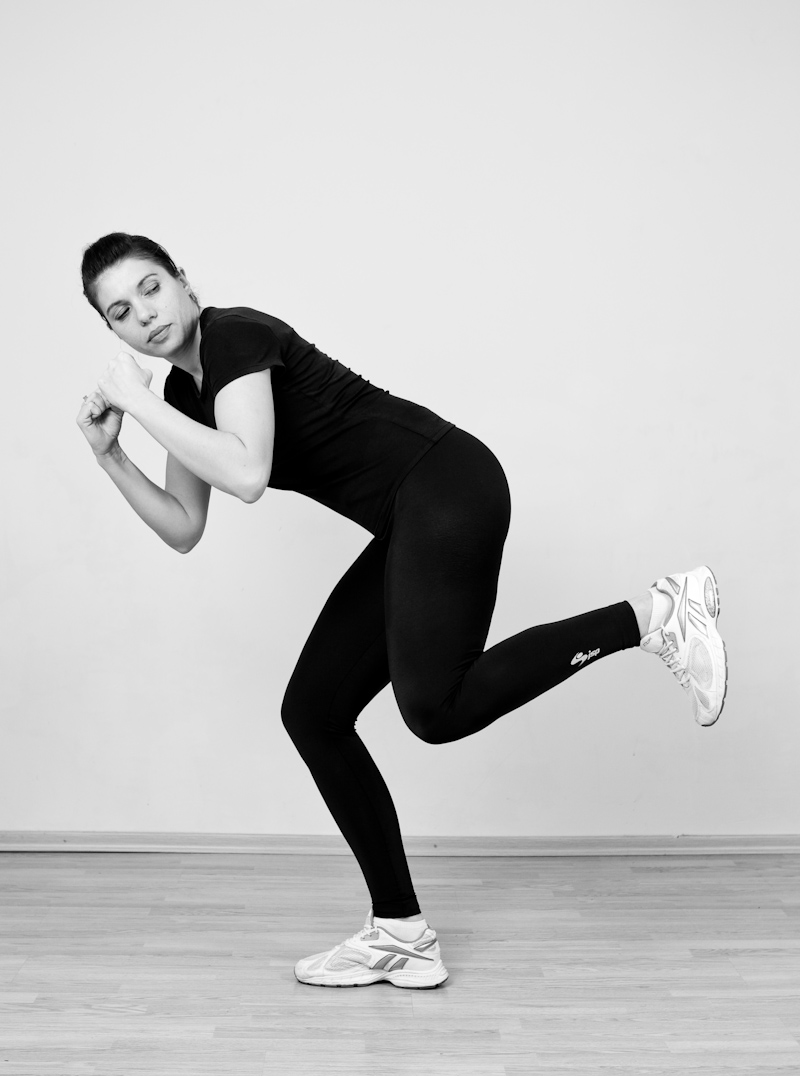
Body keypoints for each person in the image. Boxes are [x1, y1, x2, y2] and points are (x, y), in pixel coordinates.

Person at [76, 232, 728, 990]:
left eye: (151, 288)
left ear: (184, 281)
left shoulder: (235, 336)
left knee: (435, 710)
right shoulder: (184, 398)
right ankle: (400, 932)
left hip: (446, 484)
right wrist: (110, 452)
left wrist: (134, 400)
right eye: (120, 311)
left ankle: (656, 615)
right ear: (114, 331)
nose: (144, 314)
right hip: (408, 514)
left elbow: (248, 472)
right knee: (313, 713)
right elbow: (185, 526)